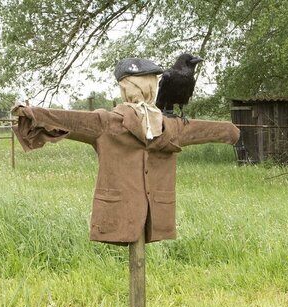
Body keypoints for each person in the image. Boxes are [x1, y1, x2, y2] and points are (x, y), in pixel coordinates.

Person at [12, 58, 240, 245]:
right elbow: (69, 119)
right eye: (143, 83)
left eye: (149, 82)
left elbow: (205, 130)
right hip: (118, 214)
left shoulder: (168, 125)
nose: (147, 87)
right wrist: (32, 115)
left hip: (156, 214)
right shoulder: (108, 123)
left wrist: (229, 132)